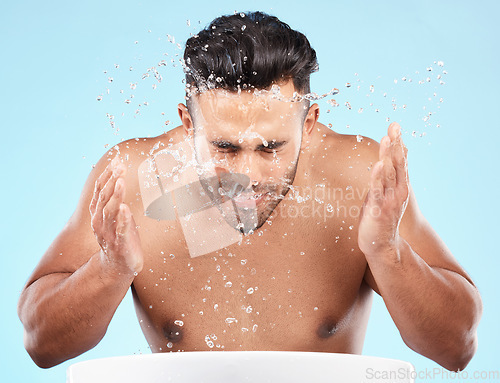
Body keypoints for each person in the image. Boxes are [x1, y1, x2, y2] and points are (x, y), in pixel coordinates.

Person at [18, 11, 482, 371]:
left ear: (310, 123)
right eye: (224, 146)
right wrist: (109, 269)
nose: (249, 174)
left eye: (272, 147)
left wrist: (387, 251)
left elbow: (457, 348)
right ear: (187, 124)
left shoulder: (359, 177)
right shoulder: (134, 180)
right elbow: (41, 344)